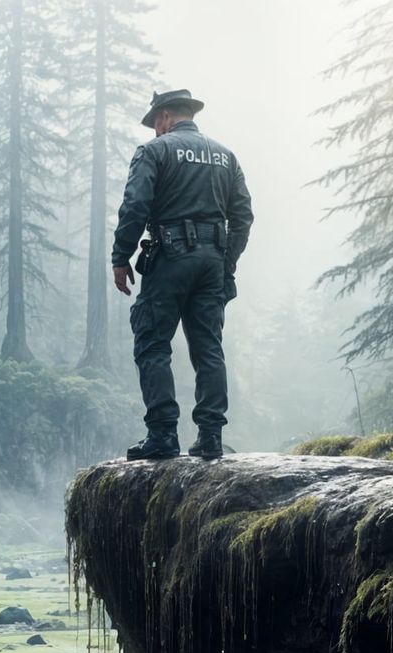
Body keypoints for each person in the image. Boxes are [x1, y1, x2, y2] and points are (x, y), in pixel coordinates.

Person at [111, 89, 254, 462]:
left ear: (163, 117)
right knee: (208, 347)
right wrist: (227, 261)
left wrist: (121, 256)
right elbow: (243, 217)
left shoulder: (154, 151)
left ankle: (162, 435)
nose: (155, 130)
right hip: (213, 262)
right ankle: (210, 437)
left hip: (170, 257)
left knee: (153, 342)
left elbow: (135, 205)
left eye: (154, 124)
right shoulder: (226, 156)